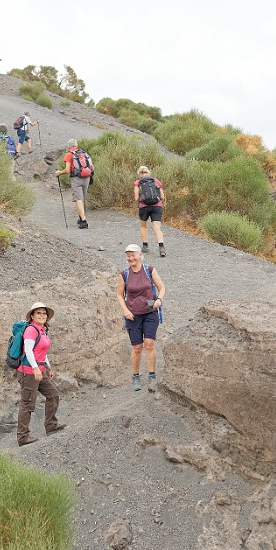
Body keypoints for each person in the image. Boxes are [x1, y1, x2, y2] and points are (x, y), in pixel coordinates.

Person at [116, 244, 165, 391]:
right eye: (128, 256)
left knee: (149, 343)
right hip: (133, 314)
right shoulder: (124, 274)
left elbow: (161, 288)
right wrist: (125, 311)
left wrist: (159, 300)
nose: (131, 258)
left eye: (133, 255)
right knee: (137, 347)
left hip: (150, 310)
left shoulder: (149, 270)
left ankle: (152, 375)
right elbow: (119, 295)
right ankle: (135, 376)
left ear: (140, 256)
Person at [17, 302, 66, 446]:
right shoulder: (31, 330)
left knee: (53, 394)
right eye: (38, 313)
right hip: (28, 372)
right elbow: (28, 350)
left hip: (40, 370)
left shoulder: (43, 330)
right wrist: (35, 368)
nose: (42, 315)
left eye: (44, 313)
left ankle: (51, 425)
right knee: (27, 404)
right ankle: (22, 437)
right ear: (32, 316)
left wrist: (47, 367)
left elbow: (42, 352)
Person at [55, 139, 92, 229]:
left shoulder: (69, 155)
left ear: (69, 146)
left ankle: (84, 222)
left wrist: (59, 173)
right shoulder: (84, 153)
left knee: (78, 199)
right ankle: (81, 217)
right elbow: (91, 166)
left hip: (76, 179)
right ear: (76, 145)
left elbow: (67, 170)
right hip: (87, 177)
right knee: (82, 198)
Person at [135, 166, 167, 257]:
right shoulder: (156, 181)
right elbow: (162, 197)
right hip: (157, 206)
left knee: (143, 226)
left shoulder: (138, 182)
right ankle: (161, 247)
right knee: (157, 227)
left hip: (144, 207)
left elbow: (136, 198)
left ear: (139, 173)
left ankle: (145, 246)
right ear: (148, 172)